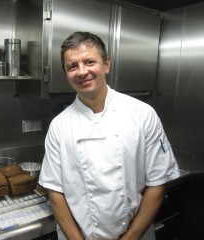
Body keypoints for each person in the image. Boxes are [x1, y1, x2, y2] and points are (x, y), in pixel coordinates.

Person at [38, 31, 181, 240]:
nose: (82, 72)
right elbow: (55, 193)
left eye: (89, 62)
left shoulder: (142, 114)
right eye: (72, 66)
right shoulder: (59, 126)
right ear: (66, 73)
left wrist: (130, 237)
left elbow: (157, 184)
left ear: (106, 64)